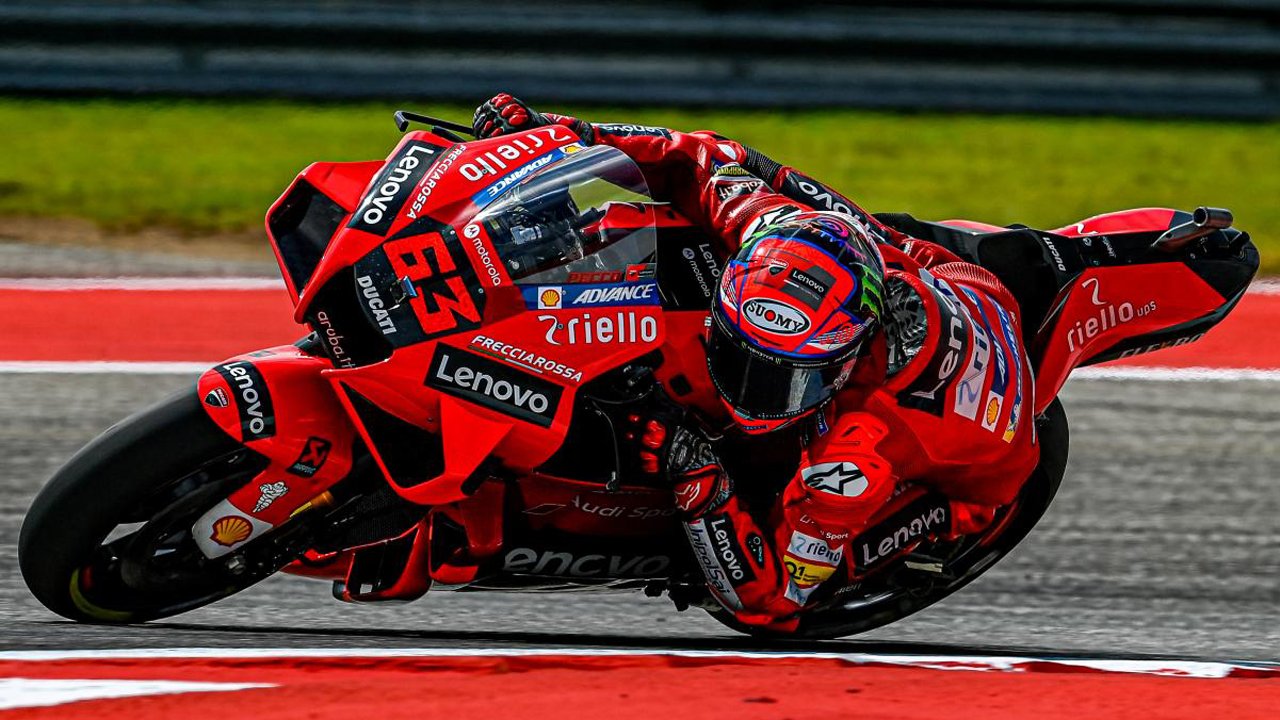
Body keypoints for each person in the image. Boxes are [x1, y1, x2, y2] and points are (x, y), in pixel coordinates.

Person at [473, 94, 1041, 632]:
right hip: (934, 271)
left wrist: (699, 480)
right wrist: (555, 132)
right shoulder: (767, 227)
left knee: (792, 583)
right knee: (715, 187)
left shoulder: (857, 457)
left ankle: (923, 527)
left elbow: (769, 602)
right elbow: (698, 155)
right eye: (736, 354)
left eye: (782, 381)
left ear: (840, 365)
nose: (748, 392)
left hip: (971, 486)